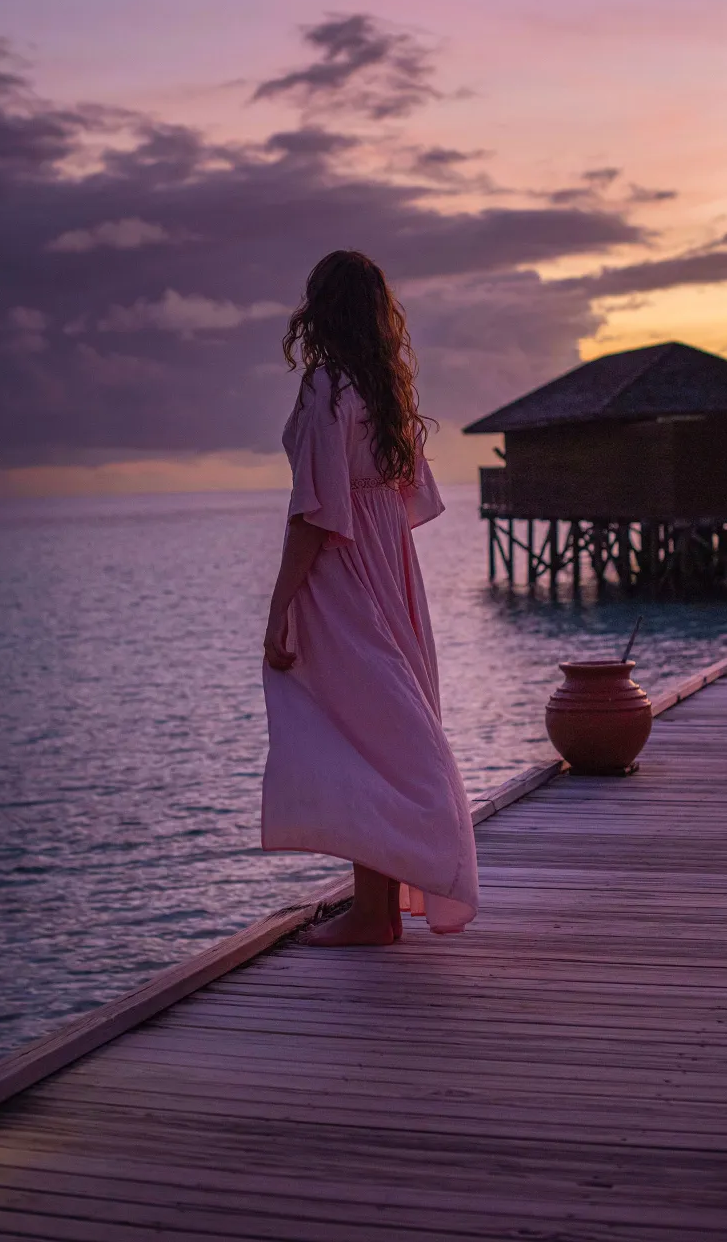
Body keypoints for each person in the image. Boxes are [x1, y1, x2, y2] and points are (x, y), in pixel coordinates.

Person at [261, 251, 479, 946]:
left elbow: (312, 512)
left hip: (343, 569)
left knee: (359, 734)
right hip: (388, 564)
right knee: (377, 730)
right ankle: (377, 911)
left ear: (319, 310)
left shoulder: (327, 386)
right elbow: (404, 500)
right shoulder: (387, 388)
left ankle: (375, 913)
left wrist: (278, 610)